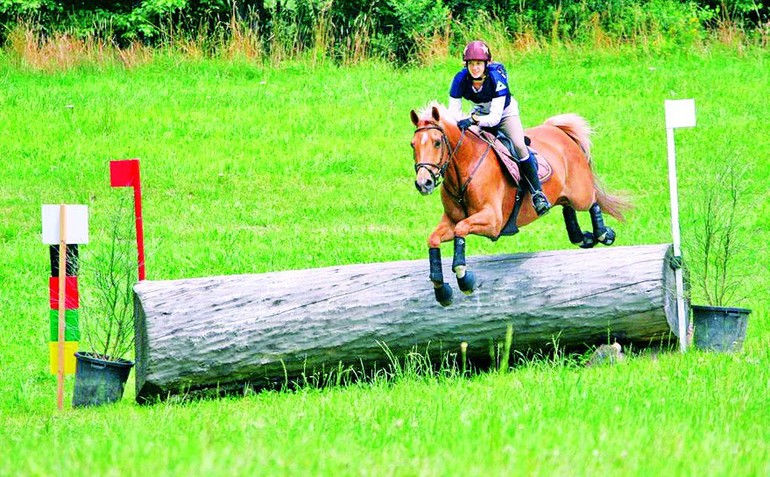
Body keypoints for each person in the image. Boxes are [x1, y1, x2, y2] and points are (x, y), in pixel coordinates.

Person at [448, 40, 551, 216]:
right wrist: (464, 120)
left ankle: (537, 194)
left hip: (504, 114)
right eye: (471, 64)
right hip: (480, 113)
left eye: (479, 63)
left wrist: (472, 120)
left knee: (518, 145)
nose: (475, 68)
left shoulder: (496, 78)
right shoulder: (459, 79)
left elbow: (494, 119)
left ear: (486, 64)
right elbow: (453, 113)